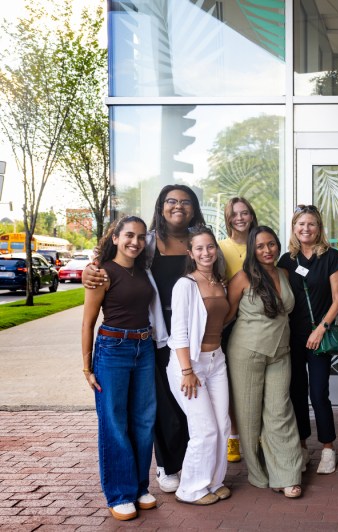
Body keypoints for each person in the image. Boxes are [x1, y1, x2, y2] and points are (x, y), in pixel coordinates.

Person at [83, 185, 208, 493]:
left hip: (196, 335)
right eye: (171, 201)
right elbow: (108, 258)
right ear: (161, 206)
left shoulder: (200, 243)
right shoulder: (148, 242)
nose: (178, 206)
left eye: (185, 202)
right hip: (158, 337)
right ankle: (167, 466)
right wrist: (91, 269)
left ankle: (194, 462)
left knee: (188, 402)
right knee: (162, 406)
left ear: (194, 208)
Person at [81, 217, 166, 521]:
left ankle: (141, 487)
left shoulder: (143, 269)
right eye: (129, 235)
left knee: (143, 420)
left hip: (143, 348)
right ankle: (119, 493)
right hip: (112, 349)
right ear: (115, 238)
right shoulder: (102, 273)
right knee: (114, 422)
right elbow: (88, 322)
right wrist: (86, 366)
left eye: (141, 237)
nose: (135, 241)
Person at [225, 226, 303, 498]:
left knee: (280, 412)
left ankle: (287, 474)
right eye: (260, 246)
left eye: (271, 244)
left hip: (281, 352)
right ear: (252, 250)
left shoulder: (284, 273)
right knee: (248, 417)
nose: (267, 250)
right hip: (247, 351)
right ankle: (260, 474)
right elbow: (226, 316)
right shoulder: (243, 278)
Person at [277, 205, 338, 474]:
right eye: (301, 224)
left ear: (319, 228)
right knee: (295, 393)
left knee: (318, 393)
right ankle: (302, 447)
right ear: (294, 227)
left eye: (311, 224)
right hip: (292, 336)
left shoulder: (331, 257)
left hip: (319, 337)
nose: (306, 229)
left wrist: (321, 329)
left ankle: (328, 448)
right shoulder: (286, 260)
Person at [167, 227, 231, 505]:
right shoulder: (185, 285)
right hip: (190, 365)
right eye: (199, 248)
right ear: (190, 253)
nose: (206, 253)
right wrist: (187, 371)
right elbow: (179, 332)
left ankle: (213, 482)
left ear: (216, 249)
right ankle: (190, 489)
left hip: (217, 362)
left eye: (210, 247)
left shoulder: (220, 281)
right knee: (204, 428)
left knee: (222, 425)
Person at [218, 197, 259, 463]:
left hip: (257, 322)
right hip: (228, 319)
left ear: (252, 216)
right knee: (231, 383)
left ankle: (256, 437)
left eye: (245, 213)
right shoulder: (220, 247)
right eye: (235, 214)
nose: (240, 218)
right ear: (228, 218)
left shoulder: (261, 245)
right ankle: (233, 438)